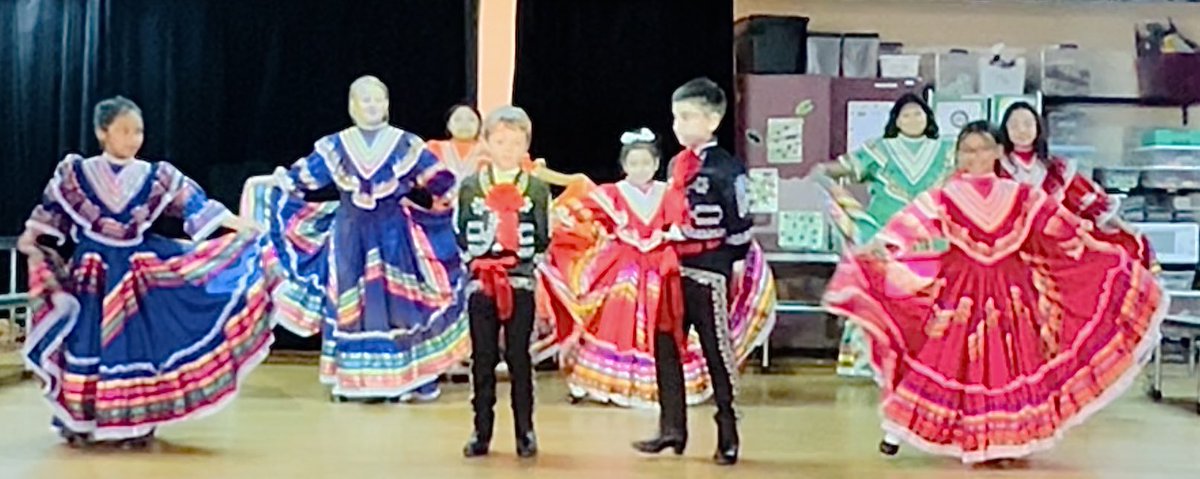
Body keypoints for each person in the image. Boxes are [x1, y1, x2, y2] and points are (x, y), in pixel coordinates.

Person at [822, 120, 1165, 464]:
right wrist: (878, 248)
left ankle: (1007, 439)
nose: (977, 156)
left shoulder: (1021, 194)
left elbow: (1060, 227)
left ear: (999, 152)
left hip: (1011, 290)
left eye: (984, 148)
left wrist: (1101, 245)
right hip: (960, 288)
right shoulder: (943, 195)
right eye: (968, 150)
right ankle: (898, 431)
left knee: (1013, 363)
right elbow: (907, 226)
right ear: (957, 156)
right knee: (943, 356)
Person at [18, 95, 272, 448]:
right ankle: (84, 420)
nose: (134, 138)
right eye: (124, 130)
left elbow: (195, 205)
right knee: (87, 342)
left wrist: (238, 225)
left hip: (136, 271)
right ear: (102, 132)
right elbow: (51, 215)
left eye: (138, 131)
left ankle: (132, 423)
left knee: (134, 346)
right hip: (93, 274)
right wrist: (33, 239)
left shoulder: (156, 176)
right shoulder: (76, 174)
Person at [244, 75, 468, 403]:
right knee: (351, 302)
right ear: (352, 106)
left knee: (400, 303)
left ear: (388, 104)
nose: (373, 105)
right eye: (365, 99)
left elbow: (440, 181)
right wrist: (271, 184)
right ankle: (353, 378)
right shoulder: (335, 145)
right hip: (349, 234)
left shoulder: (405, 144)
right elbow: (303, 178)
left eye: (379, 99)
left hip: (395, 234)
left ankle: (408, 379)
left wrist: (468, 196)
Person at [632, 77, 751, 465]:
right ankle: (672, 428)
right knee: (666, 346)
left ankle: (728, 431)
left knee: (717, 350)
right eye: (675, 118)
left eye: (687, 117)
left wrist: (731, 266)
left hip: (710, 270)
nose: (679, 125)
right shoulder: (677, 164)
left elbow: (740, 225)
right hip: (675, 269)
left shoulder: (726, 168)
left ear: (713, 120)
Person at [812, 93, 956, 379]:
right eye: (906, 115)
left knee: (930, 298)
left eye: (918, 114)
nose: (913, 119)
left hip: (930, 238)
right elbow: (846, 168)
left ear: (928, 118)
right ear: (895, 121)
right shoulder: (879, 149)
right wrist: (820, 172)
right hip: (884, 235)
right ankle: (866, 359)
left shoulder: (948, 150)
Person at [458, 106, 551, 459]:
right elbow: (461, 229)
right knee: (482, 357)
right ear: (487, 143)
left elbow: (544, 234)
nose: (507, 148)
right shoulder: (471, 186)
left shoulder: (537, 188)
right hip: (482, 281)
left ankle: (524, 431)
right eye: (500, 141)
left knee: (519, 357)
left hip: (520, 280)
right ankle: (481, 430)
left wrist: (522, 262)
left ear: (526, 144)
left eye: (515, 142)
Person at [997, 101, 1156, 269]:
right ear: (1005, 130)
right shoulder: (998, 169)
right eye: (1014, 125)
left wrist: (1124, 228)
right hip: (1012, 249)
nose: (1022, 130)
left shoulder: (1057, 170)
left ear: (1038, 128)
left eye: (1028, 124)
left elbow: (1090, 202)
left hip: (1055, 249)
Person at [427, 103, 485, 184]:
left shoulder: (488, 152)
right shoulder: (434, 147)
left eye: (471, 120)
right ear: (448, 125)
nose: (464, 124)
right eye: (458, 120)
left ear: (479, 125)